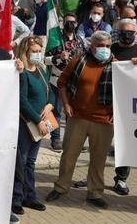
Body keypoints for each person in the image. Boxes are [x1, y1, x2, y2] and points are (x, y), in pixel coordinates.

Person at [46, 30, 116, 209]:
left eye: (108, 46)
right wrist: (66, 104)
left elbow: (127, 89)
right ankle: (61, 187)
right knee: (69, 155)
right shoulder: (79, 61)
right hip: (78, 117)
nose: (105, 49)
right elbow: (62, 82)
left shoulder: (116, 65)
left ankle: (95, 192)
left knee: (98, 159)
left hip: (104, 120)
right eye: (101, 46)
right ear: (92, 46)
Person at [109, 17, 137, 195]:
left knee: (124, 143)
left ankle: (121, 179)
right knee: (101, 142)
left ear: (135, 34)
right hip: (108, 102)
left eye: (130, 33)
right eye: (123, 32)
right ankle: (94, 176)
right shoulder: (110, 50)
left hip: (130, 105)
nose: (126, 35)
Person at [13, 35, 50, 216]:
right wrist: (38, 120)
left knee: (31, 162)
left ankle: (30, 196)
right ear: (25, 53)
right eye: (33, 51)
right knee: (21, 161)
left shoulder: (41, 71)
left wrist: (50, 104)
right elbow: (22, 100)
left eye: (38, 51)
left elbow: (48, 93)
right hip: (26, 124)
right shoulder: (23, 74)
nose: (36, 54)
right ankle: (16, 199)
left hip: (40, 126)